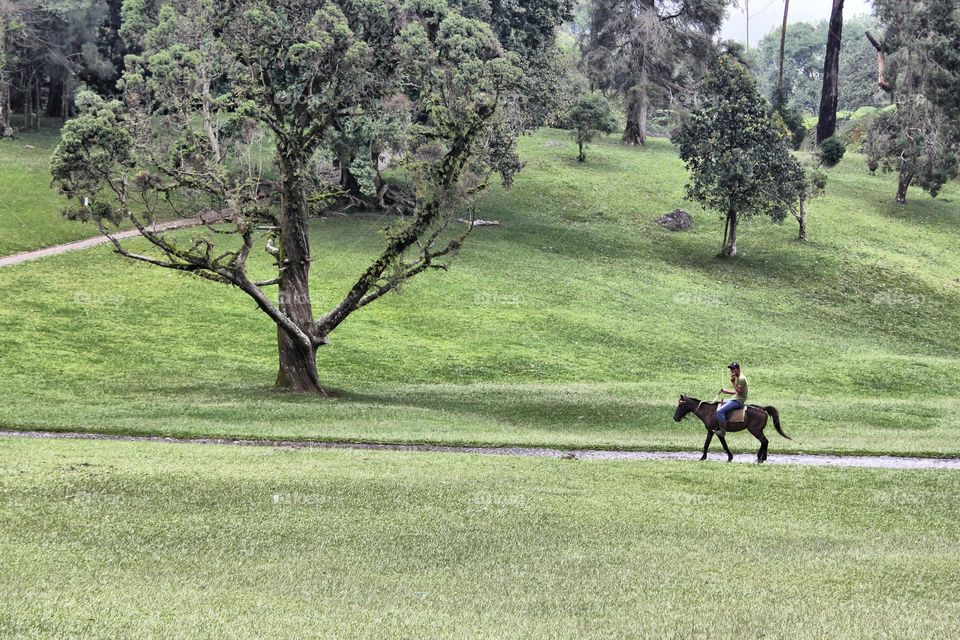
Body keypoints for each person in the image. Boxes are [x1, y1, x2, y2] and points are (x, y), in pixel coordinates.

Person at [716, 362, 748, 437]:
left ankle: (722, 432)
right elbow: (738, 392)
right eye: (731, 369)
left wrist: (733, 382)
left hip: (738, 401)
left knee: (719, 411)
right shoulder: (738, 377)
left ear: (738, 369)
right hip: (736, 398)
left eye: (733, 369)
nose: (732, 371)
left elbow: (739, 392)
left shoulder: (741, 379)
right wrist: (726, 391)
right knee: (721, 403)